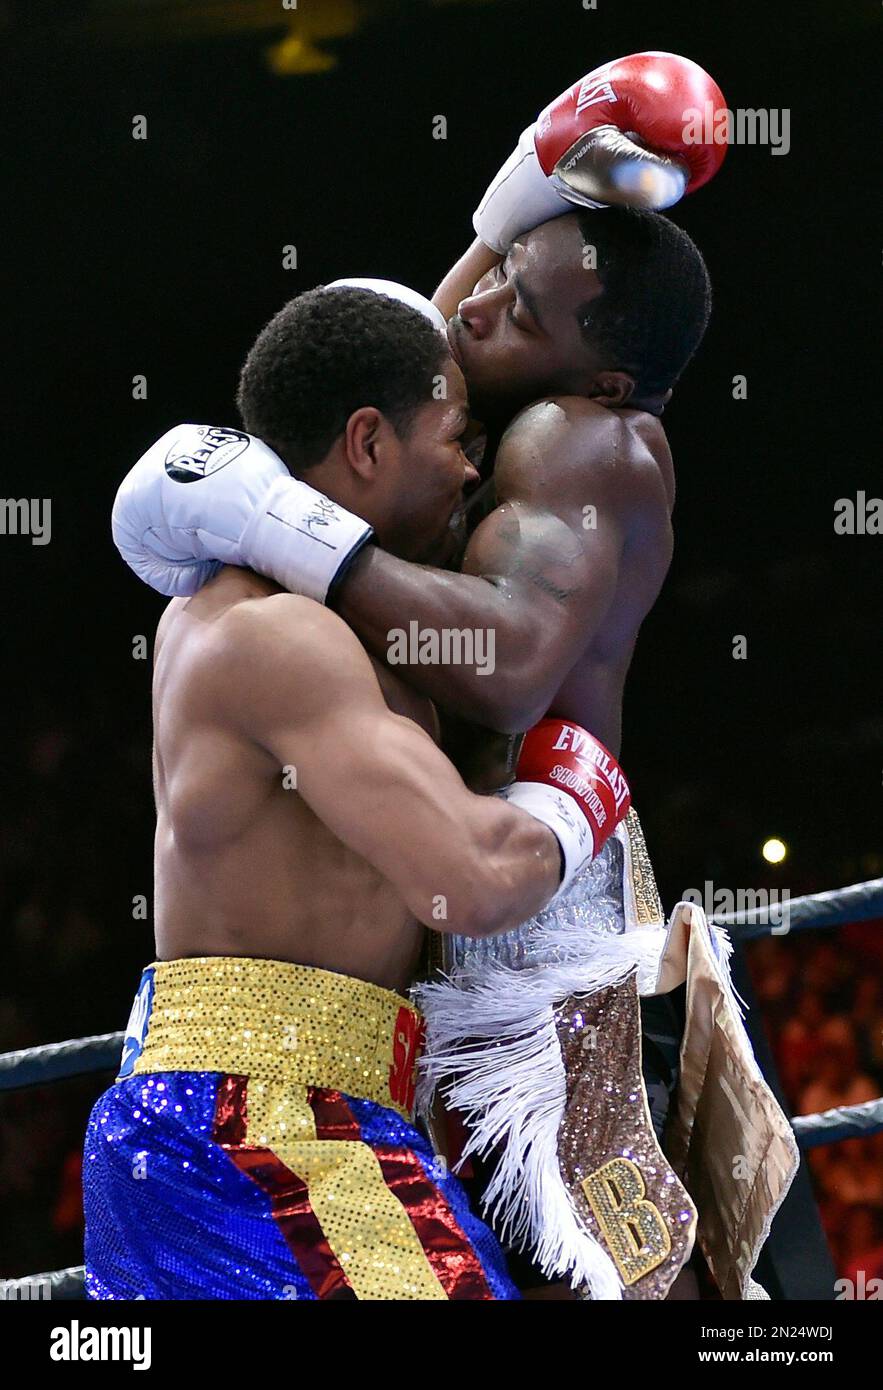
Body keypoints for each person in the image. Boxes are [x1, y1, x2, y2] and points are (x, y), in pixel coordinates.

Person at [109, 53, 799, 1299]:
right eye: (494, 279)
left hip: (533, 903)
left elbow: (503, 665)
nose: (473, 310)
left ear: (595, 373)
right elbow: (385, 383)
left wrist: (285, 521)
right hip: (420, 904)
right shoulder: (445, 434)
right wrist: (511, 198)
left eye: (517, 309)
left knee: (603, 1263)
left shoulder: (583, 441)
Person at [86, 286, 633, 1301]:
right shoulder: (278, 635)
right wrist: (574, 796)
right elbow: (472, 878)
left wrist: (509, 205)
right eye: (455, 439)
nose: (470, 471)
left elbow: (391, 334)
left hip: (244, 1110)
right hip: (267, 1125)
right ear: (368, 442)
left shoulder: (279, 613)